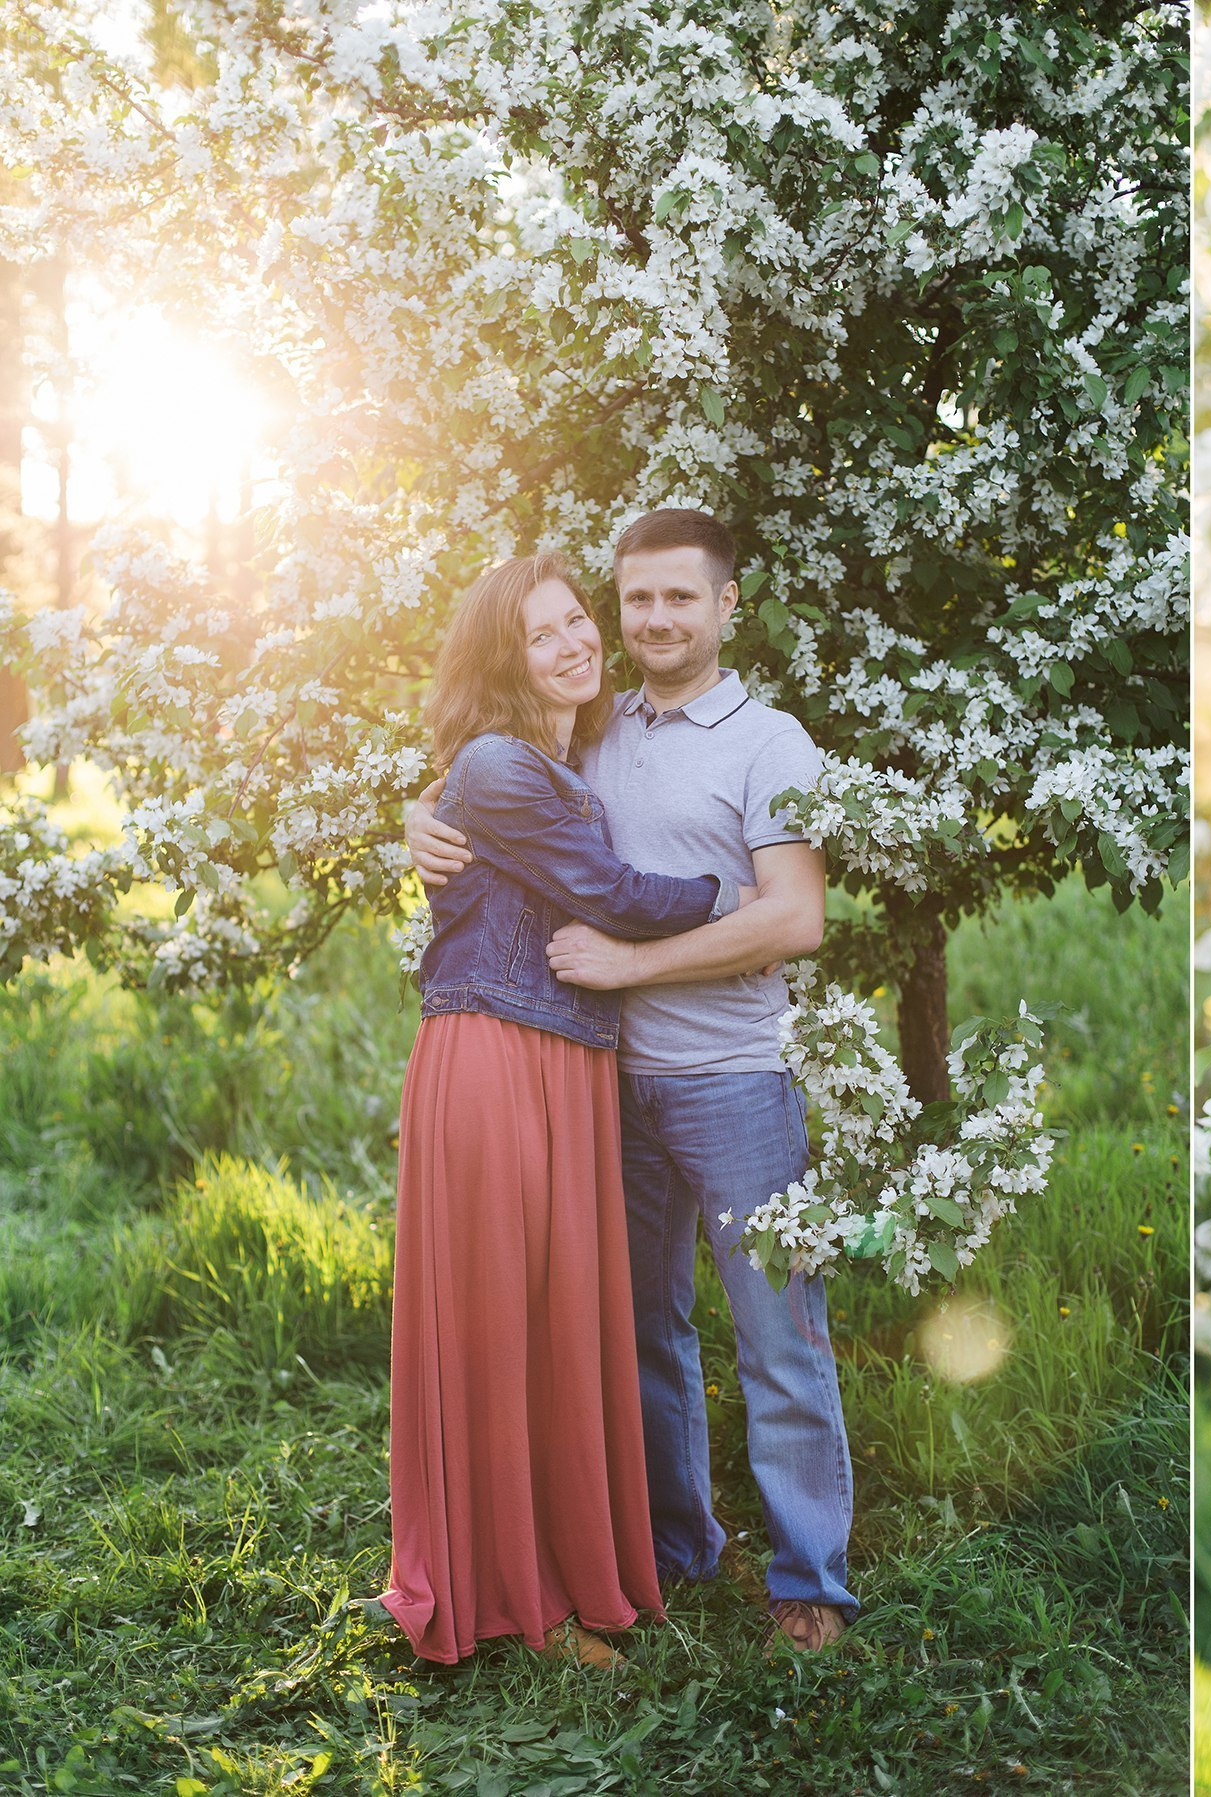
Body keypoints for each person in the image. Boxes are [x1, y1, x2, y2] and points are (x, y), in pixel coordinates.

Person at [406, 509, 856, 1654]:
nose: (652, 619)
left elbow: (795, 920)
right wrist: (421, 817)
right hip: (600, 1085)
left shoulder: (771, 743)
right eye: (636, 599)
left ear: (726, 606)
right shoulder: (592, 733)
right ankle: (675, 1548)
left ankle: (809, 1581)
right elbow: (497, 789)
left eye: (680, 598)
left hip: (733, 1076)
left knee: (779, 1339)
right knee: (639, 1335)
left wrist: (632, 964)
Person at [386, 552, 736, 1666]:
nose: (575, 642)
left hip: (564, 1060)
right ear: (505, 659)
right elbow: (612, 895)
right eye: (541, 635)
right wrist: (738, 893)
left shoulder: (561, 755)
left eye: (577, 620)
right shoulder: (500, 762)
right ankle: (523, 1601)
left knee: (556, 1321)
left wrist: (415, 806)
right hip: (497, 1058)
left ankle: (555, 1570)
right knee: (507, 1322)